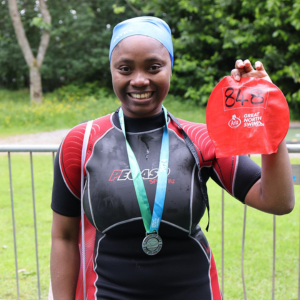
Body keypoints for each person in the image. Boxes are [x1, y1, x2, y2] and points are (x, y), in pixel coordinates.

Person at [50, 16, 294, 300]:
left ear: (170, 69)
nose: (139, 80)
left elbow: (278, 201)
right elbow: (64, 238)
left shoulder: (202, 138)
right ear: (112, 71)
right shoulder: (80, 142)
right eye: (125, 68)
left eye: (154, 67)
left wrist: (269, 121)